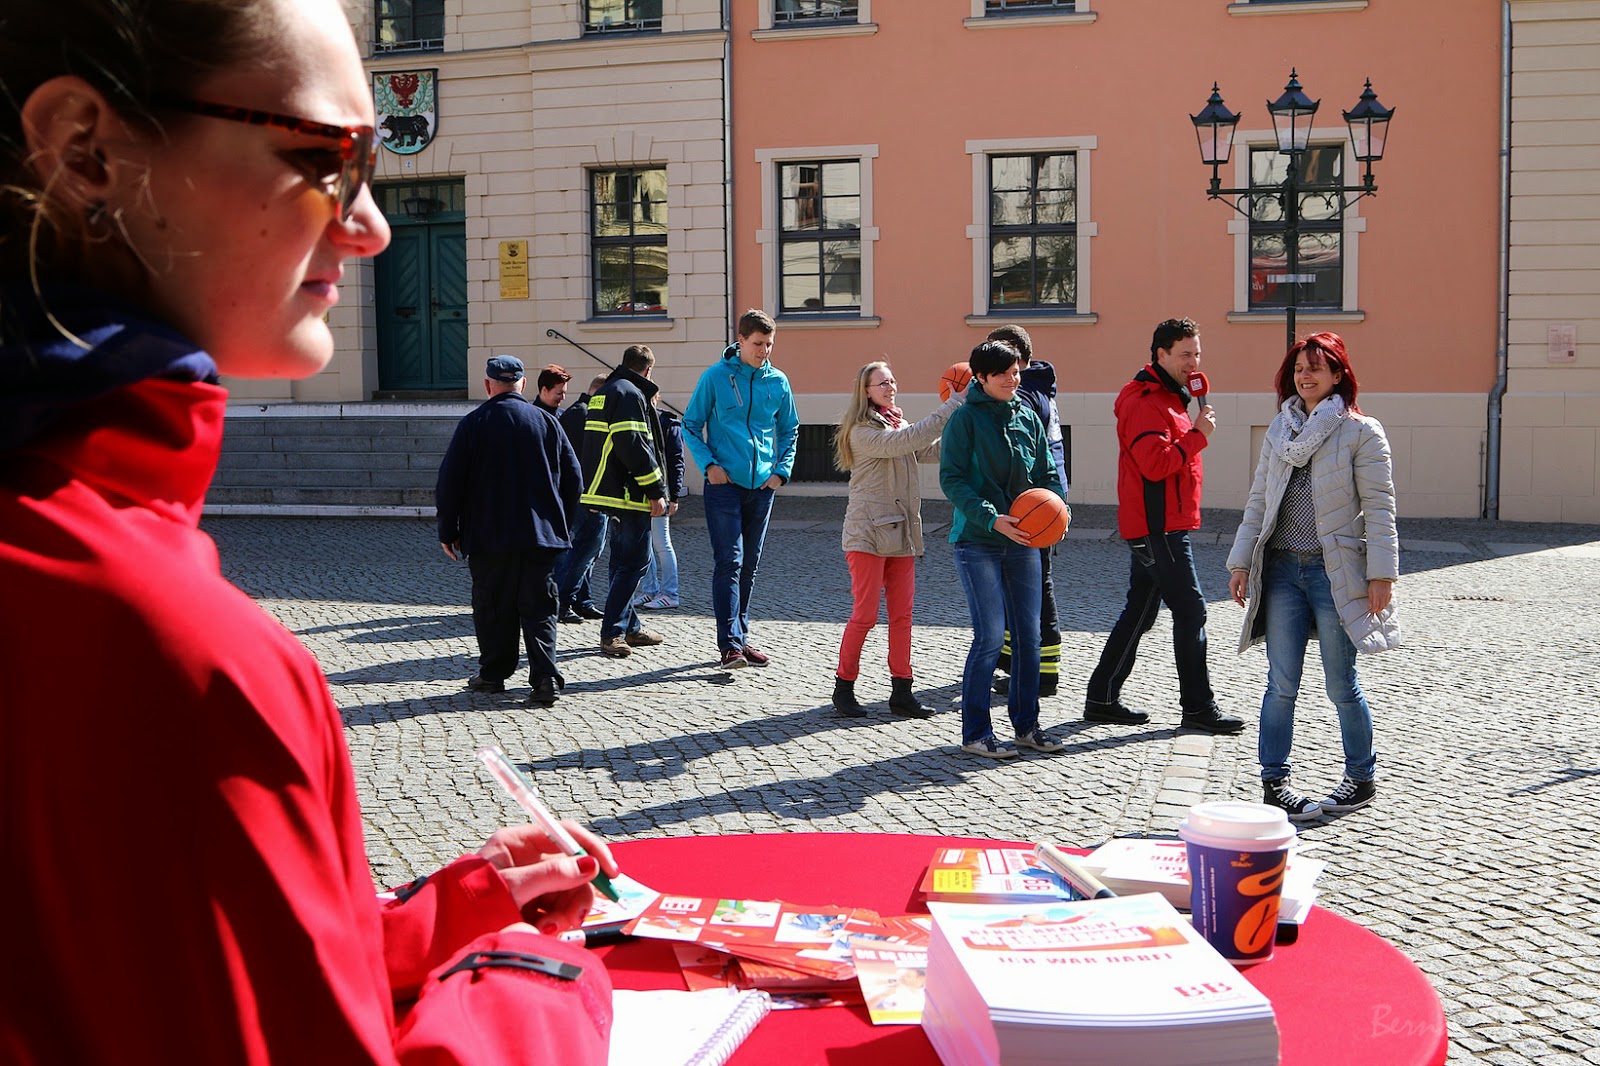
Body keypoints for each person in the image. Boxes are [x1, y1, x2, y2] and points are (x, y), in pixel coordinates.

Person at [0, 1, 617, 1062]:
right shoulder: (173, 648)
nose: (371, 223)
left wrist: (464, 906)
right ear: (86, 151)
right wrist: (539, 974)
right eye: (331, 156)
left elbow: (158, 975)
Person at [1225, 332, 1399, 820]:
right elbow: (1259, 500)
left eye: (1317, 367)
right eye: (1300, 367)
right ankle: (1274, 783)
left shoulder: (1362, 432)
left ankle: (1360, 778)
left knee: (1342, 683)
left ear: (1339, 374)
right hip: (1281, 571)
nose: (1306, 375)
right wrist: (1241, 562)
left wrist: (1381, 576)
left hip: (1335, 572)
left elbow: (1381, 509)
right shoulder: (1279, 431)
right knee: (1280, 684)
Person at [1083, 318, 1244, 736]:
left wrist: (1192, 427)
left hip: (1163, 524)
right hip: (1158, 528)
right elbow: (1155, 465)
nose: (1194, 363)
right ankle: (1198, 708)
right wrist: (1198, 435)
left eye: (1197, 354)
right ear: (1160, 355)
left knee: (1140, 612)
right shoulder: (1144, 401)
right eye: (1185, 354)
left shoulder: (1172, 398)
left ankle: (1101, 698)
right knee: (1191, 611)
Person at [939, 340, 1067, 758]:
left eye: (1016, 371)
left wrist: (1056, 510)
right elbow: (953, 480)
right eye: (1004, 374)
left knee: (1029, 637)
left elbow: (1047, 472)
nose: (1014, 378)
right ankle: (976, 732)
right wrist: (992, 517)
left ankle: (1027, 727)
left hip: (1025, 540)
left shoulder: (1027, 417)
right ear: (980, 378)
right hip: (978, 540)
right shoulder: (965, 421)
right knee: (991, 636)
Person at [436, 355, 583, 706]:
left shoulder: (474, 424)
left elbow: (449, 483)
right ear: (523, 384)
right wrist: (559, 520)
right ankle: (545, 677)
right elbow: (574, 478)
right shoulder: (546, 422)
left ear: (489, 385)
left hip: (489, 535)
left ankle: (493, 674)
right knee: (540, 607)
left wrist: (448, 529)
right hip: (539, 535)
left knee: (492, 606)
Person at [830, 360, 962, 718]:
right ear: (866, 392)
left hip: (901, 532)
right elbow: (906, 441)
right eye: (882, 384)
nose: (890, 387)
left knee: (903, 617)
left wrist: (964, 431)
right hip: (866, 534)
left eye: (892, 381)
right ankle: (844, 688)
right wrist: (954, 404)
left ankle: (902, 692)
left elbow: (925, 450)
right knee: (866, 616)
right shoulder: (861, 431)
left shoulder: (897, 423)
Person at [681, 308, 800, 670]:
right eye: (758, 344)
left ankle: (741, 638)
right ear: (741, 339)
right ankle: (729, 645)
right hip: (724, 486)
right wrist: (709, 466)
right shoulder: (716, 377)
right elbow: (690, 425)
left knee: (749, 565)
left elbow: (790, 430)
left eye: (769, 344)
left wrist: (781, 472)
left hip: (762, 487)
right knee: (729, 562)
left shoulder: (778, 381)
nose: (764, 350)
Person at [986, 324, 1068, 700]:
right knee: (1020, 586)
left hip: (1034, 507)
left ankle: (1043, 675)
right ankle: (1015, 663)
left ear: (1018, 358)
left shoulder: (1027, 397)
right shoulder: (1039, 388)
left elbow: (1024, 461)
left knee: (1035, 587)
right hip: (1041, 503)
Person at [579, 344, 669, 659]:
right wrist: (656, 490)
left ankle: (629, 626)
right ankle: (613, 632)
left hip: (608, 490)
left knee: (620, 562)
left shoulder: (606, 390)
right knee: (635, 563)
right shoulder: (630, 394)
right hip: (630, 493)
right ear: (647, 370)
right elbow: (633, 445)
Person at [554, 372, 611, 623]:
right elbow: (589, 459)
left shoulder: (577, 412)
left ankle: (581, 600)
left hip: (584, 493)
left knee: (586, 549)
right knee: (585, 549)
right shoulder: (584, 415)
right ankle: (563, 600)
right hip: (587, 494)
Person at [635, 395, 684, 610]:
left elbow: (676, 462)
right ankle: (650, 590)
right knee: (644, 544)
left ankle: (670, 593)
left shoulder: (668, 424)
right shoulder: (639, 421)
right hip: (642, 493)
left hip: (661, 492)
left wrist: (674, 496)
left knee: (661, 544)